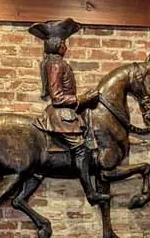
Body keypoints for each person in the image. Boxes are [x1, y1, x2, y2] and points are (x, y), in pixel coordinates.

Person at [29, 18, 108, 203]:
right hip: (60, 115)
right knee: (81, 150)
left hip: (68, 113)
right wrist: (82, 99)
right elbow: (57, 97)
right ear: (56, 44)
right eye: (63, 42)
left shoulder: (56, 62)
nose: (66, 46)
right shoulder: (55, 64)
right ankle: (90, 193)